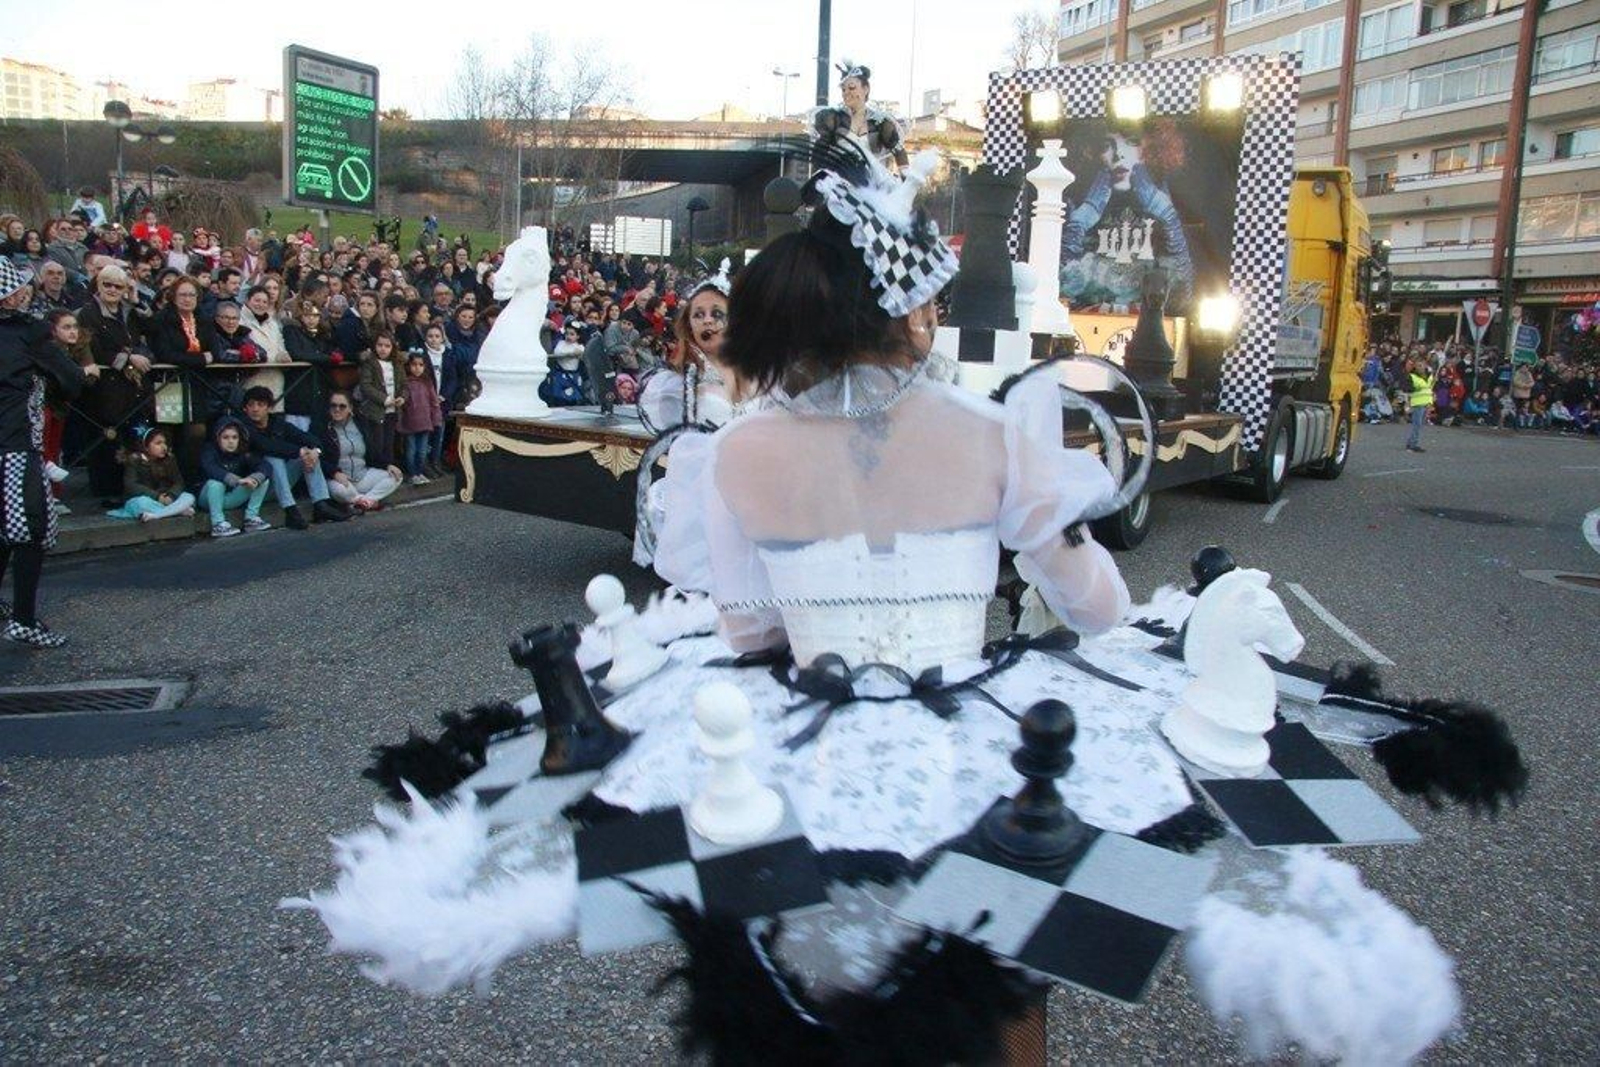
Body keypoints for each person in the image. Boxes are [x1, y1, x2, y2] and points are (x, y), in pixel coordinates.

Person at [0, 260, 90, 647]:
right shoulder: (29, 333)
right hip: (16, 443)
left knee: (6, 531)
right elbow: (71, 380)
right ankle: (23, 619)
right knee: (30, 530)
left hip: (12, 442)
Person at [76, 265, 152, 501]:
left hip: (132, 389)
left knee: (132, 438)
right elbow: (93, 347)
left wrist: (136, 299)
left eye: (118, 286)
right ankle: (106, 492)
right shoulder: (88, 312)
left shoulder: (128, 311)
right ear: (98, 285)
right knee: (106, 441)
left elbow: (149, 330)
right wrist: (128, 358)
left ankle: (130, 488)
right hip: (105, 389)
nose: (112, 290)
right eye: (106, 284)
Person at [237, 385, 349, 528]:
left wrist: (315, 451)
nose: (255, 409)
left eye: (260, 404)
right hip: (255, 486)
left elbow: (307, 438)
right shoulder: (244, 427)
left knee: (309, 454)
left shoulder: (277, 422)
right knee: (274, 459)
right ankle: (291, 511)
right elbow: (266, 446)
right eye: (251, 405)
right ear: (245, 408)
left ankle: (321, 504)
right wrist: (300, 451)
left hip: (280, 484)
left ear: (269, 408)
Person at [321, 390, 402, 511]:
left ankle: (363, 501)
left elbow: (372, 451)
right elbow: (320, 459)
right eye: (333, 405)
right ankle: (369, 502)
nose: (337, 409)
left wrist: (387, 465)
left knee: (396, 476)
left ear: (350, 408)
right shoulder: (323, 427)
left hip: (362, 476)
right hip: (339, 480)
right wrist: (334, 473)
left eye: (342, 406)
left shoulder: (360, 424)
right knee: (340, 492)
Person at [198, 415, 271, 537]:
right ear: (217, 438)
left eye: (234, 437)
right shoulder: (209, 451)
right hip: (208, 498)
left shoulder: (242, 453)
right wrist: (237, 480)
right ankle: (218, 524)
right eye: (225, 437)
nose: (231, 441)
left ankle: (251, 519)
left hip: (230, 498)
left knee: (262, 480)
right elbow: (211, 469)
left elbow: (265, 466)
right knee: (216, 484)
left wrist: (254, 479)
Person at [106, 426, 195, 522]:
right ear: (146, 446)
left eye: (164, 443)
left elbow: (179, 482)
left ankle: (157, 515)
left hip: (167, 499)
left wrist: (171, 495)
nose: (163, 447)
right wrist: (157, 496)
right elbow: (131, 485)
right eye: (158, 443)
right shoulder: (135, 460)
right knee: (140, 503)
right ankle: (178, 511)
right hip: (147, 499)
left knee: (189, 497)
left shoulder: (170, 459)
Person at [145, 276, 217, 369]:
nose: (187, 299)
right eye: (183, 295)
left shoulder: (205, 319)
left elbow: (215, 351)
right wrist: (201, 359)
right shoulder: (161, 319)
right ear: (174, 297)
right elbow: (165, 354)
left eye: (192, 295)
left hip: (205, 376)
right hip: (170, 376)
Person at [357, 332, 404, 471]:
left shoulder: (397, 364)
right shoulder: (370, 363)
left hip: (392, 411)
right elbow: (365, 386)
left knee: (389, 443)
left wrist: (402, 397)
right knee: (376, 444)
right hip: (375, 411)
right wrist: (384, 399)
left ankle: (388, 472)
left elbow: (404, 385)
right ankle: (376, 471)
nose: (383, 349)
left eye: (387, 346)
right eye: (380, 345)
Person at [395, 352, 441, 485]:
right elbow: (401, 405)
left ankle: (420, 472)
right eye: (414, 364)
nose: (417, 368)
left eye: (421, 365)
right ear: (408, 366)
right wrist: (400, 423)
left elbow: (434, 403)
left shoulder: (427, 382)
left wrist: (436, 419)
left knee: (422, 451)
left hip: (425, 423)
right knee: (411, 450)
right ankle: (412, 473)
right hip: (410, 423)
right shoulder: (405, 383)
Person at [1405, 357, 1435, 453]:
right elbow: (1408, 389)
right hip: (1417, 403)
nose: (1420, 367)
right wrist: (1415, 388)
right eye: (1418, 365)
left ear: (1425, 365)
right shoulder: (1412, 376)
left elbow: (1430, 388)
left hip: (1426, 402)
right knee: (1417, 425)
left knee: (1420, 424)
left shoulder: (1430, 375)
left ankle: (1410, 442)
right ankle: (1413, 444)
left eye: (1421, 365)